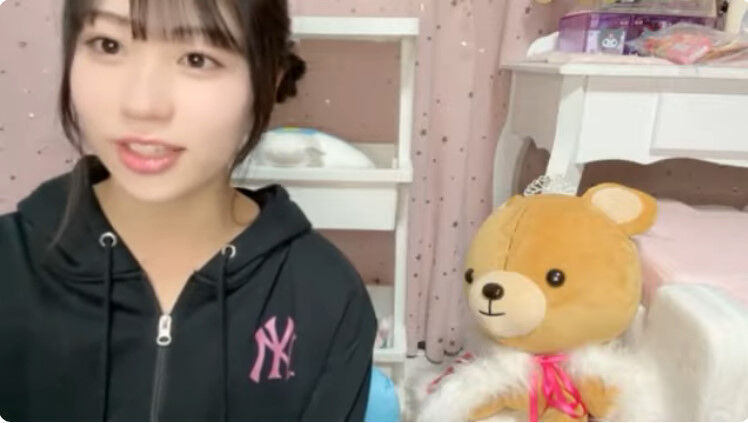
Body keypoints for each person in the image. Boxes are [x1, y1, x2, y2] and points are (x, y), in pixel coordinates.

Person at [0, 0, 377, 420]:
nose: (142, 105)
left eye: (197, 58)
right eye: (108, 45)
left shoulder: (327, 297)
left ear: (268, 80)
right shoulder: (10, 269)